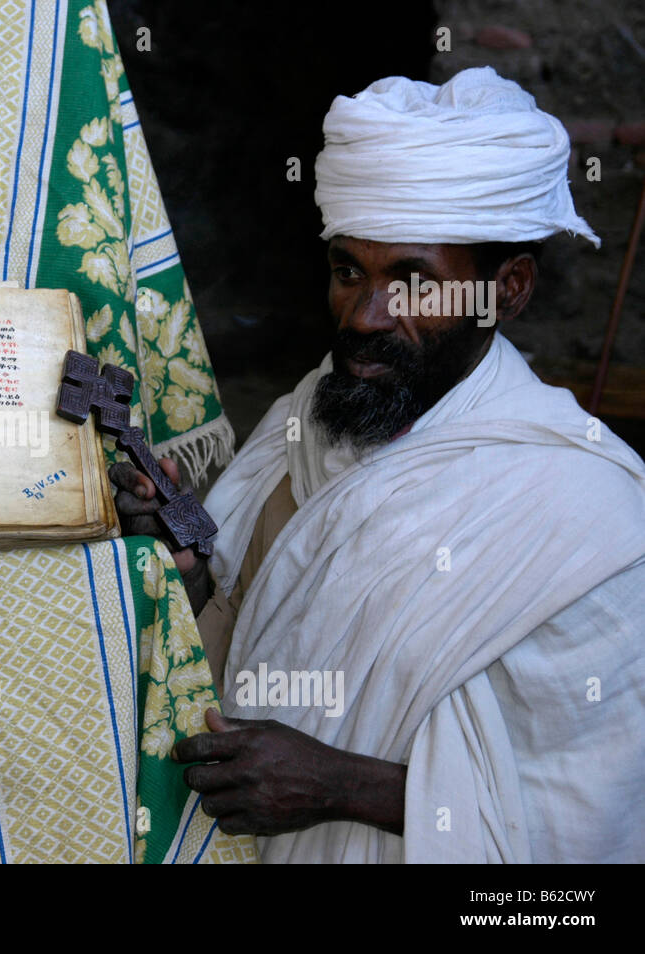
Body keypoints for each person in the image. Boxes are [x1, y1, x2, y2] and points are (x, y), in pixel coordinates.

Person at [111, 67, 645, 863]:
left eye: (413, 281)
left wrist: (341, 786)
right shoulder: (312, 412)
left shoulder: (591, 514)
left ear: (509, 289)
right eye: (348, 271)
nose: (364, 317)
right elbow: (242, 620)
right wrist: (184, 568)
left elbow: (588, 818)